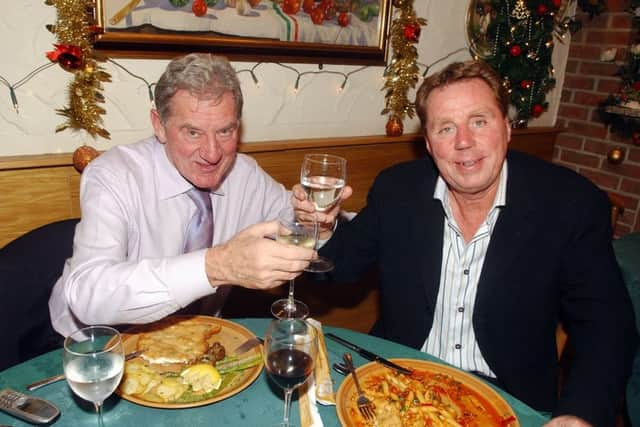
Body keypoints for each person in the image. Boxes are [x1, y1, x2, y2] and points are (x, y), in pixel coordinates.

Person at [303, 60, 637, 426]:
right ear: (429, 144)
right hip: (394, 382)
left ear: (507, 128)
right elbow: (340, 266)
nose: (464, 142)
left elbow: (607, 326)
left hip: (507, 399)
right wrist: (320, 228)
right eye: (446, 128)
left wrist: (580, 414)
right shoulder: (398, 189)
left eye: (479, 121)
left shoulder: (570, 204)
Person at [49, 53, 318, 337]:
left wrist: (318, 221)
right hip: (94, 349)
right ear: (158, 124)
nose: (213, 153)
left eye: (225, 131)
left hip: (196, 340)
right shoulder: (114, 175)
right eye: (192, 132)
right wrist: (218, 266)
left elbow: (294, 221)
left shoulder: (245, 174)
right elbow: (89, 295)